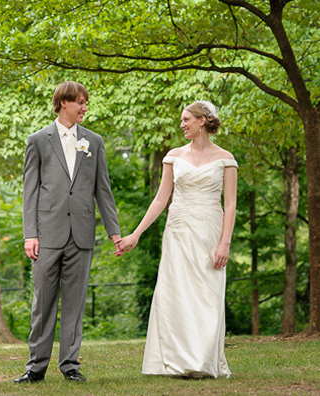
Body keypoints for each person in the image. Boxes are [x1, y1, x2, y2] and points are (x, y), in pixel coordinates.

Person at [115, 100, 236, 378]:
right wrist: (136, 233)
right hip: (178, 230)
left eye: (186, 120)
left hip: (210, 230)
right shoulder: (173, 156)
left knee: (208, 295)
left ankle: (204, 361)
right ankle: (175, 361)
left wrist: (224, 244)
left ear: (201, 121)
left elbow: (230, 205)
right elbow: (161, 199)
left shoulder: (225, 158)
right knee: (177, 294)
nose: (182, 125)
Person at [15, 81, 121, 384]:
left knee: (75, 304)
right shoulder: (38, 140)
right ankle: (35, 367)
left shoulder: (94, 142)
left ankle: (70, 365)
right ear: (64, 103)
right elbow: (30, 191)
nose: (85, 107)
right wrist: (29, 234)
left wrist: (114, 232)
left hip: (83, 234)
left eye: (86, 103)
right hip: (46, 235)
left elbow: (104, 190)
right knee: (43, 303)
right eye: (81, 102)